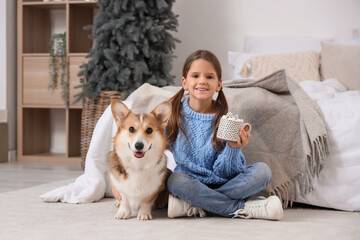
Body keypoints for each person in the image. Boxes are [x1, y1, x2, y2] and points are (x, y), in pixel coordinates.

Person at [166, 50, 284, 220]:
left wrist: (233, 149)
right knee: (175, 180)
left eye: (209, 77)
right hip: (191, 183)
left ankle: (196, 204)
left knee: (263, 172)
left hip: (227, 183)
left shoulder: (226, 119)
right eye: (195, 76)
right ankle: (243, 208)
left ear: (219, 84)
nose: (202, 81)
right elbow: (149, 148)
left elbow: (227, 172)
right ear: (184, 82)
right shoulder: (173, 116)